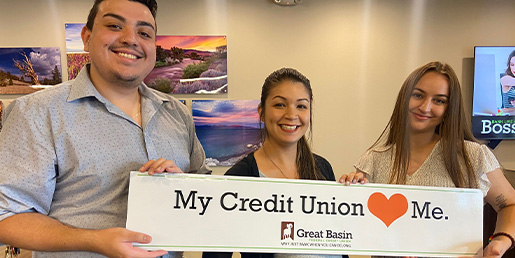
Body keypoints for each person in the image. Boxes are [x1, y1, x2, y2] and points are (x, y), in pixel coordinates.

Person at [0, 0, 210, 257]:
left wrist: (181, 186)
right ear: (86, 37)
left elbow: (205, 198)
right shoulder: (37, 112)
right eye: (114, 25)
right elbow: (6, 217)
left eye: (144, 33)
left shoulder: (177, 113)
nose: (130, 39)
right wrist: (93, 240)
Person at [340, 61, 515, 258]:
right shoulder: (373, 159)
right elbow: (359, 225)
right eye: (418, 95)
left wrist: (500, 241)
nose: (425, 107)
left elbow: (510, 204)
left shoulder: (473, 156)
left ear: (449, 108)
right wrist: (350, 191)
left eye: (439, 100)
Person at [202, 68, 347, 258]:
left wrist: (356, 196)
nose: (291, 115)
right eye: (280, 104)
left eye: (301, 106)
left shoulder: (322, 168)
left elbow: (340, 241)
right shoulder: (239, 178)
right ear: (261, 112)